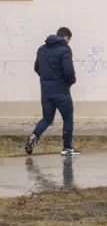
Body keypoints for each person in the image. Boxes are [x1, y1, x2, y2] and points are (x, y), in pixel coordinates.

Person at [25, 27, 80, 156]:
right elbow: (68, 70)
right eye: (69, 40)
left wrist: (46, 79)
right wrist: (70, 81)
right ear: (66, 37)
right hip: (61, 90)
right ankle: (67, 148)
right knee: (67, 118)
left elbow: (37, 67)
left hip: (46, 91)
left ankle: (34, 135)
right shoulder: (65, 50)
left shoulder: (42, 49)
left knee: (47, 118)